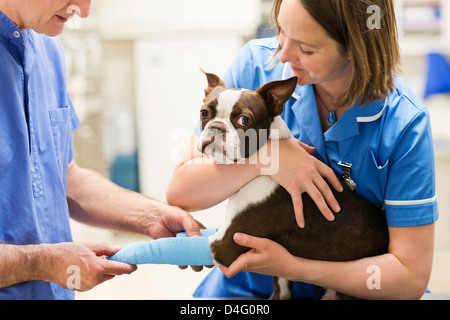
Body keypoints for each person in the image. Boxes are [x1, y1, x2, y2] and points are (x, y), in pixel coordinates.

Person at [166, 0, 438, 299]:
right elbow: (181, 192)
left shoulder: (403, 122)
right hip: (246, 286)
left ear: (354, 46)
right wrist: (267, 159)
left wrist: (295, 267)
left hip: (356, 290)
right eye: (281, 31)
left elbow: (409, 277)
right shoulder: (258, 64)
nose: (282, 55)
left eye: (306, 49)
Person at [0, 0, 203, 300]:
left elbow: (63, 177)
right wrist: (40, 263)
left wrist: (151, 217)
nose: (83, 10)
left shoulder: (47, 49)